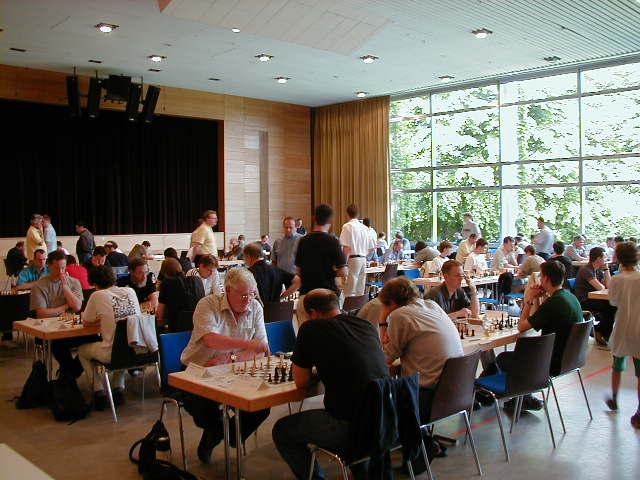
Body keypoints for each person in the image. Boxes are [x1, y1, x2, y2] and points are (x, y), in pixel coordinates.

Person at [272, 289, 389, 480]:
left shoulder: (310, 328)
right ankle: (361, 470)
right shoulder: (365, 325)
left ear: (312, 313)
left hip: (351, 428)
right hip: (387, 421)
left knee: (282, 430)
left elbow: (301, 381)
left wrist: (316, 371)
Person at [180, 268, 270, 464]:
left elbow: (260, 350)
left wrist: (231, 358)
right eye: (244, 295)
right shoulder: (207, 304)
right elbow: (211, 340)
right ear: (228, 290)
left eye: (252, 294)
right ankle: (218, 433)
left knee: (262, 405)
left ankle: (225, 435)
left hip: (234, 371)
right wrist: (248, 345)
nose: (249, 299)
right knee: (206, 409)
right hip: (197, 372)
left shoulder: (255, 307)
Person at [378, 277, 463, 459]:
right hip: (457, 391)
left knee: (380, 401)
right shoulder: (432, 305)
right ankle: (423, 439)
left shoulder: (400, 315)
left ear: (390, 302)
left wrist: (383, 320)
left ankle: (418, 444)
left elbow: (385, 359)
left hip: (428, 397)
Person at [499, 260, 583, 411]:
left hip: (549, 363)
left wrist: (529, 300)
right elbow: (539, 318)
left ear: (545, 279)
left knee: (502, 358)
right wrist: (538, 298)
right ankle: (521, 396)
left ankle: (511, 396)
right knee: (516, 357)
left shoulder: (554, 303)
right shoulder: (569, 297)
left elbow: (521, 326)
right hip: (570, 359)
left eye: (541, 276)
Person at [78, 265, 140, 410]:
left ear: (94, 283)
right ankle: (118, 388)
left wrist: (102, 317)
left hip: (111, 353)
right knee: (123, 344)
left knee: (82, 351)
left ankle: (98, 390)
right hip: (136, 349)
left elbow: (86, 321)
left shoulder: (97, 295)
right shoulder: (130, 291)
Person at [30, 250, 88, 378]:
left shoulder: (74, 282)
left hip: (72, 328)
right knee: (57, 345)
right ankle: (69, 375)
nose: (61, 271)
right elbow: (42, 314)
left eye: (63, 267)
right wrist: (66, 306)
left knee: (94, 339)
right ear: (49, 266)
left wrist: (65, 287)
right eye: (57, 268)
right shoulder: (39, 286)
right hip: (51, 331)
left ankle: (69, 374)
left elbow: (77, 307)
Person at [605, 241, 640, 428]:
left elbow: (613, 301)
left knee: (617, 365)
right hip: (638, 326)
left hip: (622, 326)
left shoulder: (617, 279)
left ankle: (615, 397)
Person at [294, 204, 347, 327]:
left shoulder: (303, 241)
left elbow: (298, 272)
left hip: (306, 296)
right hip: (327, 298)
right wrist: (330, 272)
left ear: (314, 218)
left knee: (306, 333)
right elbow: (343, 271)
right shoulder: (333, 241)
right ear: (330, 220)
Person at [575, 247, 615, 345]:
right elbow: (600, 287)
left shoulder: (597, 270)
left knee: (613, 305)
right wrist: (604, 284)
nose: (606, 259)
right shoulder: (586, 270)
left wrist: (606, 269)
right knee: (610, 307)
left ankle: (600, 331)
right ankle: (602, 333)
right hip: (584, 300)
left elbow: (609, 286)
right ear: (598, 258)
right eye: (604, 257)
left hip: (595, 298)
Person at [157, 258, 205, 332]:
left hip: (176, 329)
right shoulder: (197, 280)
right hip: (198, 327)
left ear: (165, 273)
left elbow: (160, 314)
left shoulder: (167, 283)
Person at [339, 204, 375, 297]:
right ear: (358, 214)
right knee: (360, 290)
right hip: (363, 259)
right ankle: (359, 306)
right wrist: (363, 253)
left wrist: (343, 264)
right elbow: (371, 248)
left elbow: (346, 248)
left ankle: (349, 306)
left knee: (349, 290)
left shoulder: (347, 226)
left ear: (347, 214)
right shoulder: (365, 228)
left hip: (353, 259)